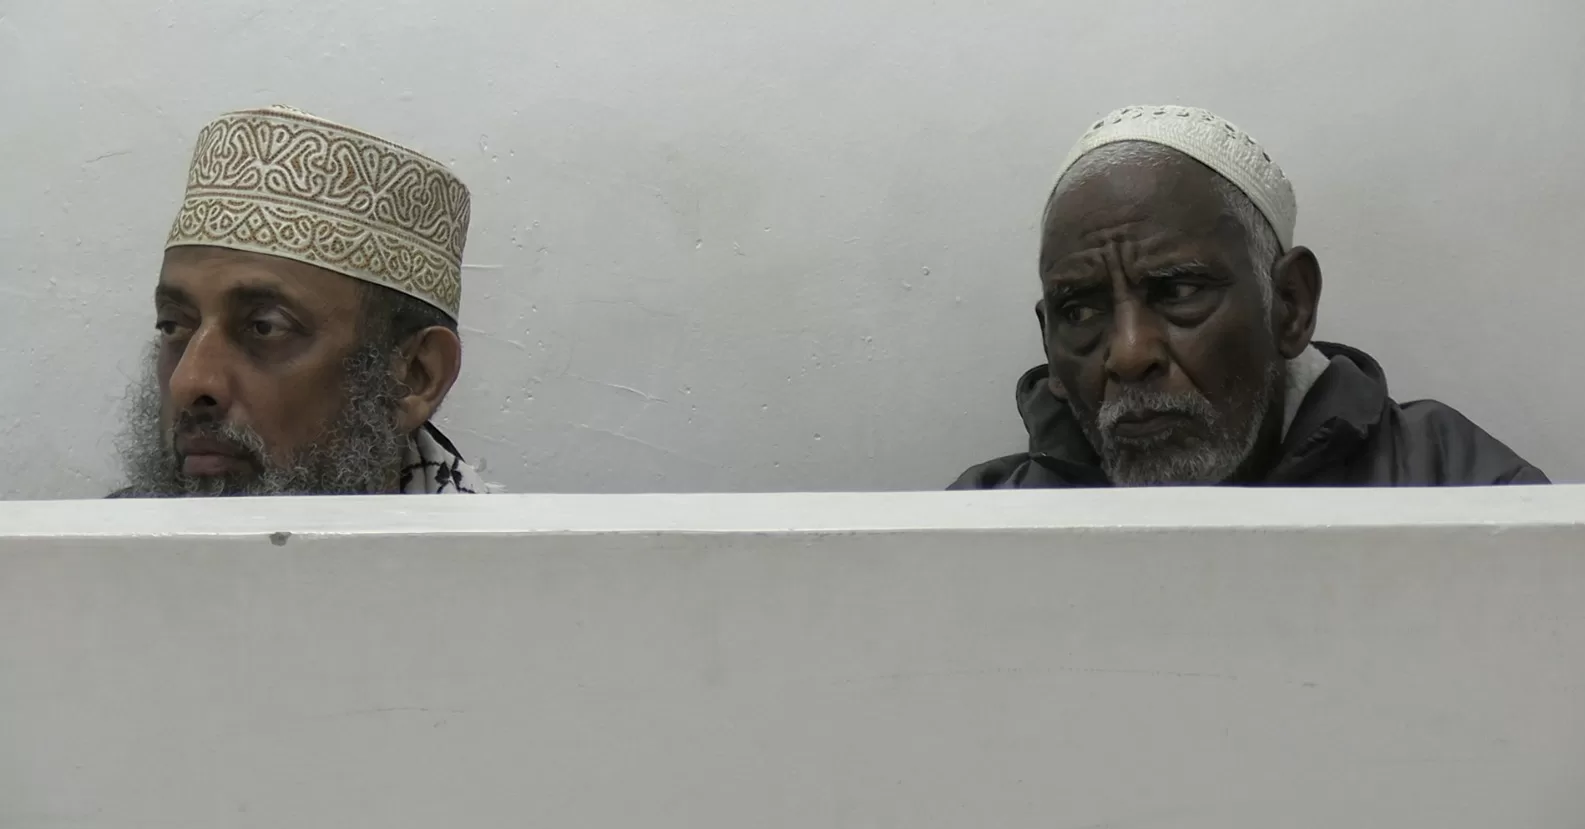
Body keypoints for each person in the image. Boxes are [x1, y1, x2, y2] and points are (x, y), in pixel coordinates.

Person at [953, 105, 1546, 489]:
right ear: (1049, 347)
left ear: (1289, 304)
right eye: (1080, 311)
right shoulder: (971, 530)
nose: (1129, 355)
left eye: (1179, 290)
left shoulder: (1459, 485)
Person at [111, 105, 491, 497]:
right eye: (173, 326)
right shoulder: (93, 538)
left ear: (414, 377)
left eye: (265, 327)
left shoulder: (502, 541)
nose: (187, 382)